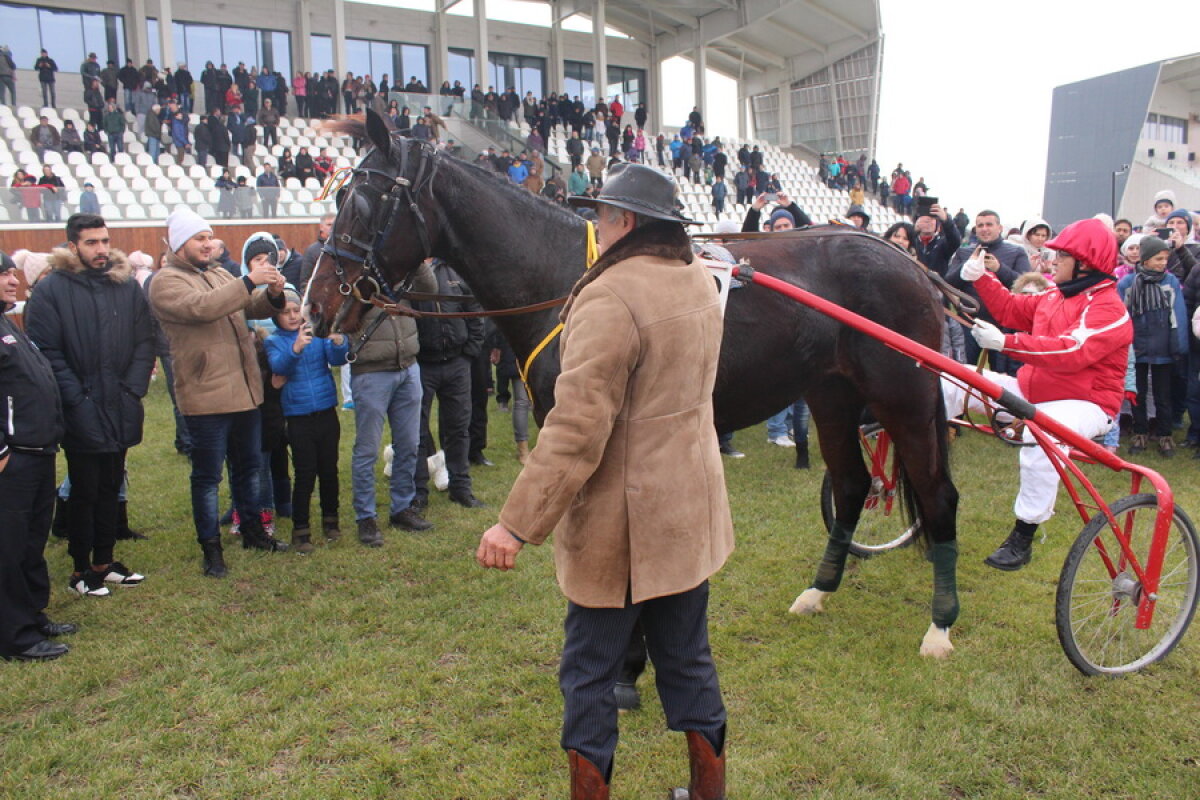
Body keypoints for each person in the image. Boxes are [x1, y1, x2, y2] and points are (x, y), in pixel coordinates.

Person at [476, 163, 733, 799]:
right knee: (687, 660)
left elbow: (576, 428)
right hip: (687, 510)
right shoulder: (697, 276)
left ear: (628, 223)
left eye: (603, 214)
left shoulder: (611, 296)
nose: (595, 224)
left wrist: (515, 524)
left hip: (623, 527)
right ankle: (708, 794)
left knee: (589, 675)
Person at [946, 218, 1132, 571]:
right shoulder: (1053, 294)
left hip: (1088, 404)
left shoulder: (1109, 309)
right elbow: (1010, 310)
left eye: (1060, 254)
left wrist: (1007, 343)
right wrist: (980, 278)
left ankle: (1023, 535)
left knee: (1040, 433)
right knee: (954, 376)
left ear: (1085, 262)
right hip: (1035, 393)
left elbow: (1070, 352)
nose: (1050, 259)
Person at [147, 209, 290, 577]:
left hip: (243, 390)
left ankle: (254, 533)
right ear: (180, 244)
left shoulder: (218, 273)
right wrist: (247, 281)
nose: (208, 243)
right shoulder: (166, 282)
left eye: (209, 236)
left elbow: (246, 307)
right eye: (199, 238)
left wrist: (272, 294)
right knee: (208, 478)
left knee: (248, 468)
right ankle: (211, 549)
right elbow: (203, 308)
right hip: (206, 394)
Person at [23, 215, 154, 598]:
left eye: (105, 241)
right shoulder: (53, 291)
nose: (101, 249)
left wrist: (131, 390)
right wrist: (77, 398)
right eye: (92, 242)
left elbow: (144, 339)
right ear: (73, 245)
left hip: (120, 402)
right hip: (79, 406)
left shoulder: (125, 286)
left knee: (113, 483)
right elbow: (47, 352)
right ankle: (81, 568)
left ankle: (104, 561)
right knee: (85, 488)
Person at [0, 251, 77, 662]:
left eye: (12, 271)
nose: (12, 280)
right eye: (2, 273)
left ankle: (32, 613)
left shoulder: (9, 324)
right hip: (13, 460)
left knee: (31, 542)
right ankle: (16, 636)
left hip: (38, 451)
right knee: (8, 548)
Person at [348, 260, 438, 544]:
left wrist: (419, 261)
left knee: (410, 444)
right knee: (367, 450)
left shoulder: (404, 272)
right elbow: (344, 315)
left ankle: (402, 507)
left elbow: (430, 290)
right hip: (372, 372)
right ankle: (366, 517)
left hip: (408, 367)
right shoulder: (356, 275)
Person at [266, 287, 349, 553]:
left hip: (326, 409)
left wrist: (338, 342)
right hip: (298, 415)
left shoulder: (317, 333)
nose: (292, 317)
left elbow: (336, 359)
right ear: (276, 317)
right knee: (304, 473)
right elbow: (279, 366)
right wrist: (296, 347)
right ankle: (301, 530)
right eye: (285, 312)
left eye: (295, 311)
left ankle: (331, 519)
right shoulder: (274, 341)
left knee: (329, 469)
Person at [411, 260, 485, 510]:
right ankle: (419, 491)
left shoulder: (456, 269)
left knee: (458, 428)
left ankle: (460, 487)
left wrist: (470, 352)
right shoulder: (409, 271)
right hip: (422, 364)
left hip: (457, 362)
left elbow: (474, 310)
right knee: (417, 431)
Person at [1117, 235, 1186, 457]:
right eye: (1158, 259)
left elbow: (1178, 315)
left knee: (1163, 395)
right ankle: (1140, 432)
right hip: (1136, 348)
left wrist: (1178, 344)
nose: (1163, 263)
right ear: (1145, 259)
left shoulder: (1170, 282)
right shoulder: (1127, 284)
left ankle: (1165, 435)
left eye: (1165, 258)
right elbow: (1121, 316)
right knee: (1137, 393)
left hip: (1163, 348)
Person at [947, 210, 1032, 372]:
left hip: (1002, 327)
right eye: (980, 225)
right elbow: (948, 283)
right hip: (968, 323)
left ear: (999, 227)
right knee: (962, 373)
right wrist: (966, 268)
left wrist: (999, 269)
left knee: (1001, 378)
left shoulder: (1016, 252)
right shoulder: (964, 252)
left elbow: (1025, 286)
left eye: (989, 225)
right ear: (975, 229)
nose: (984, 229)